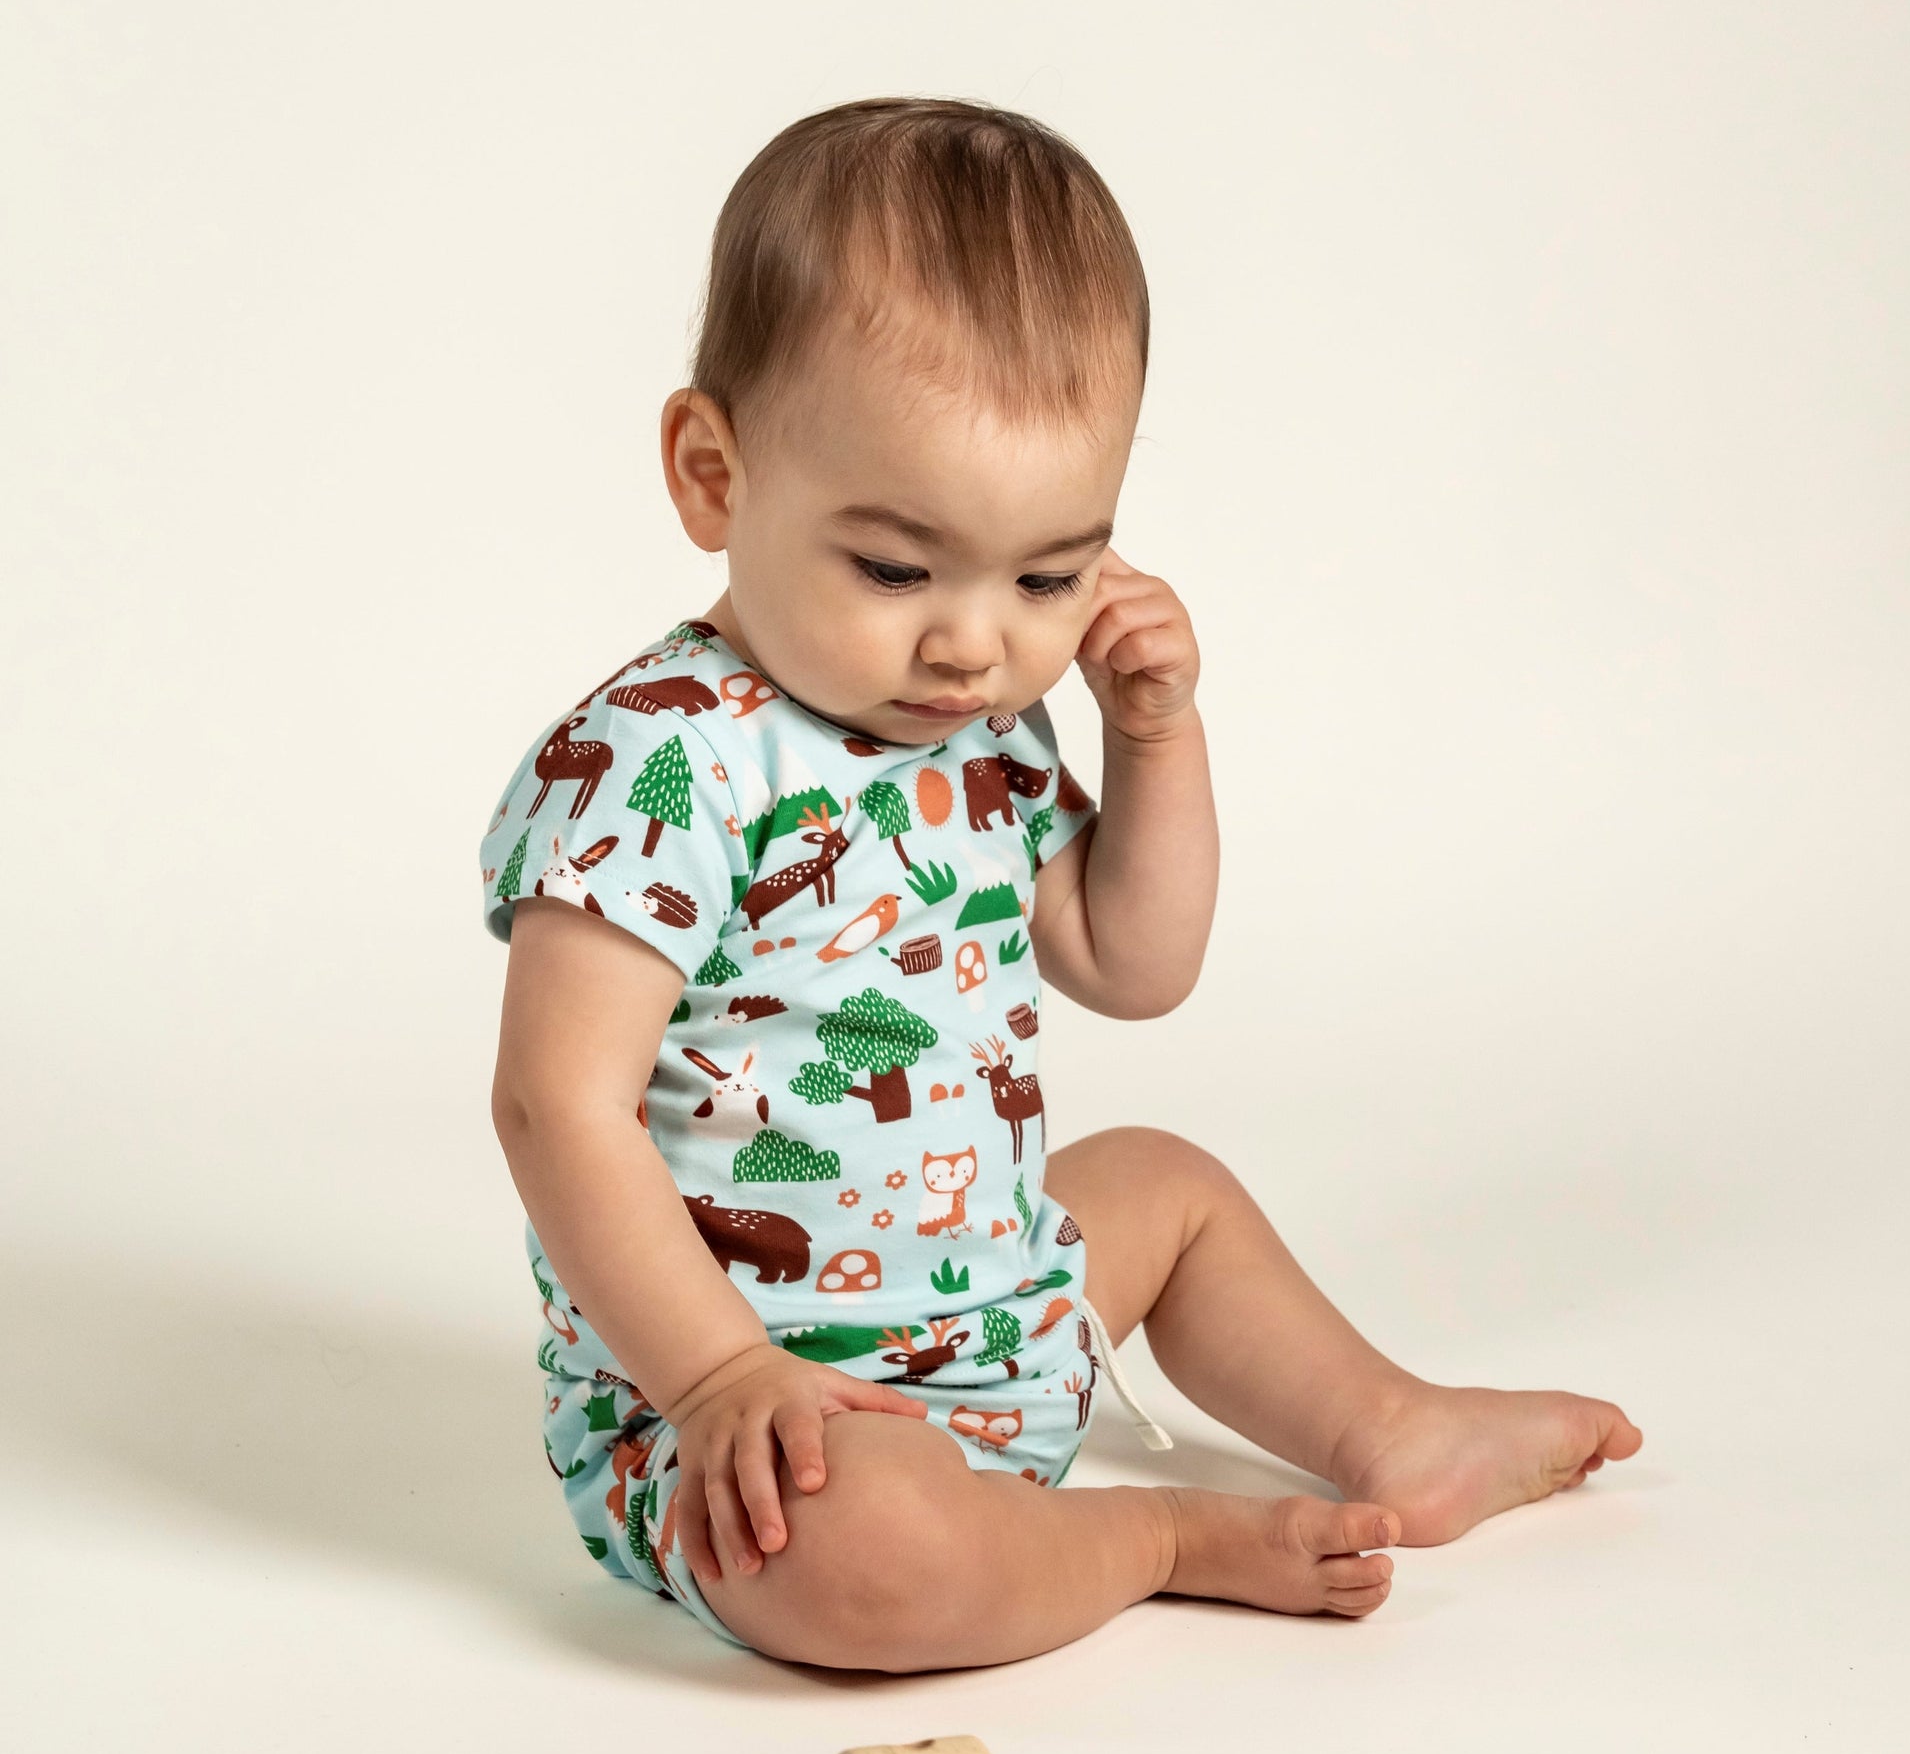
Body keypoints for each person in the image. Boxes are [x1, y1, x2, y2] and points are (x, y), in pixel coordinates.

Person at [482, 98, 1642, 1671]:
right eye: (896, 569)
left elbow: (1131, 959)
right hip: (768, 1425)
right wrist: (711, 1383)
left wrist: (1151, 730)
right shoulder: (663, 759)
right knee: (868, 1564)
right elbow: (559, 1106)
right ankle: (1158, 1537)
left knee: (1164, 1180)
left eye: (1048, 577)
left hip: (1000, 1315)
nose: (972, 643)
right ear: (713, 473)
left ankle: (1389, 1423)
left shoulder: (985, 731)